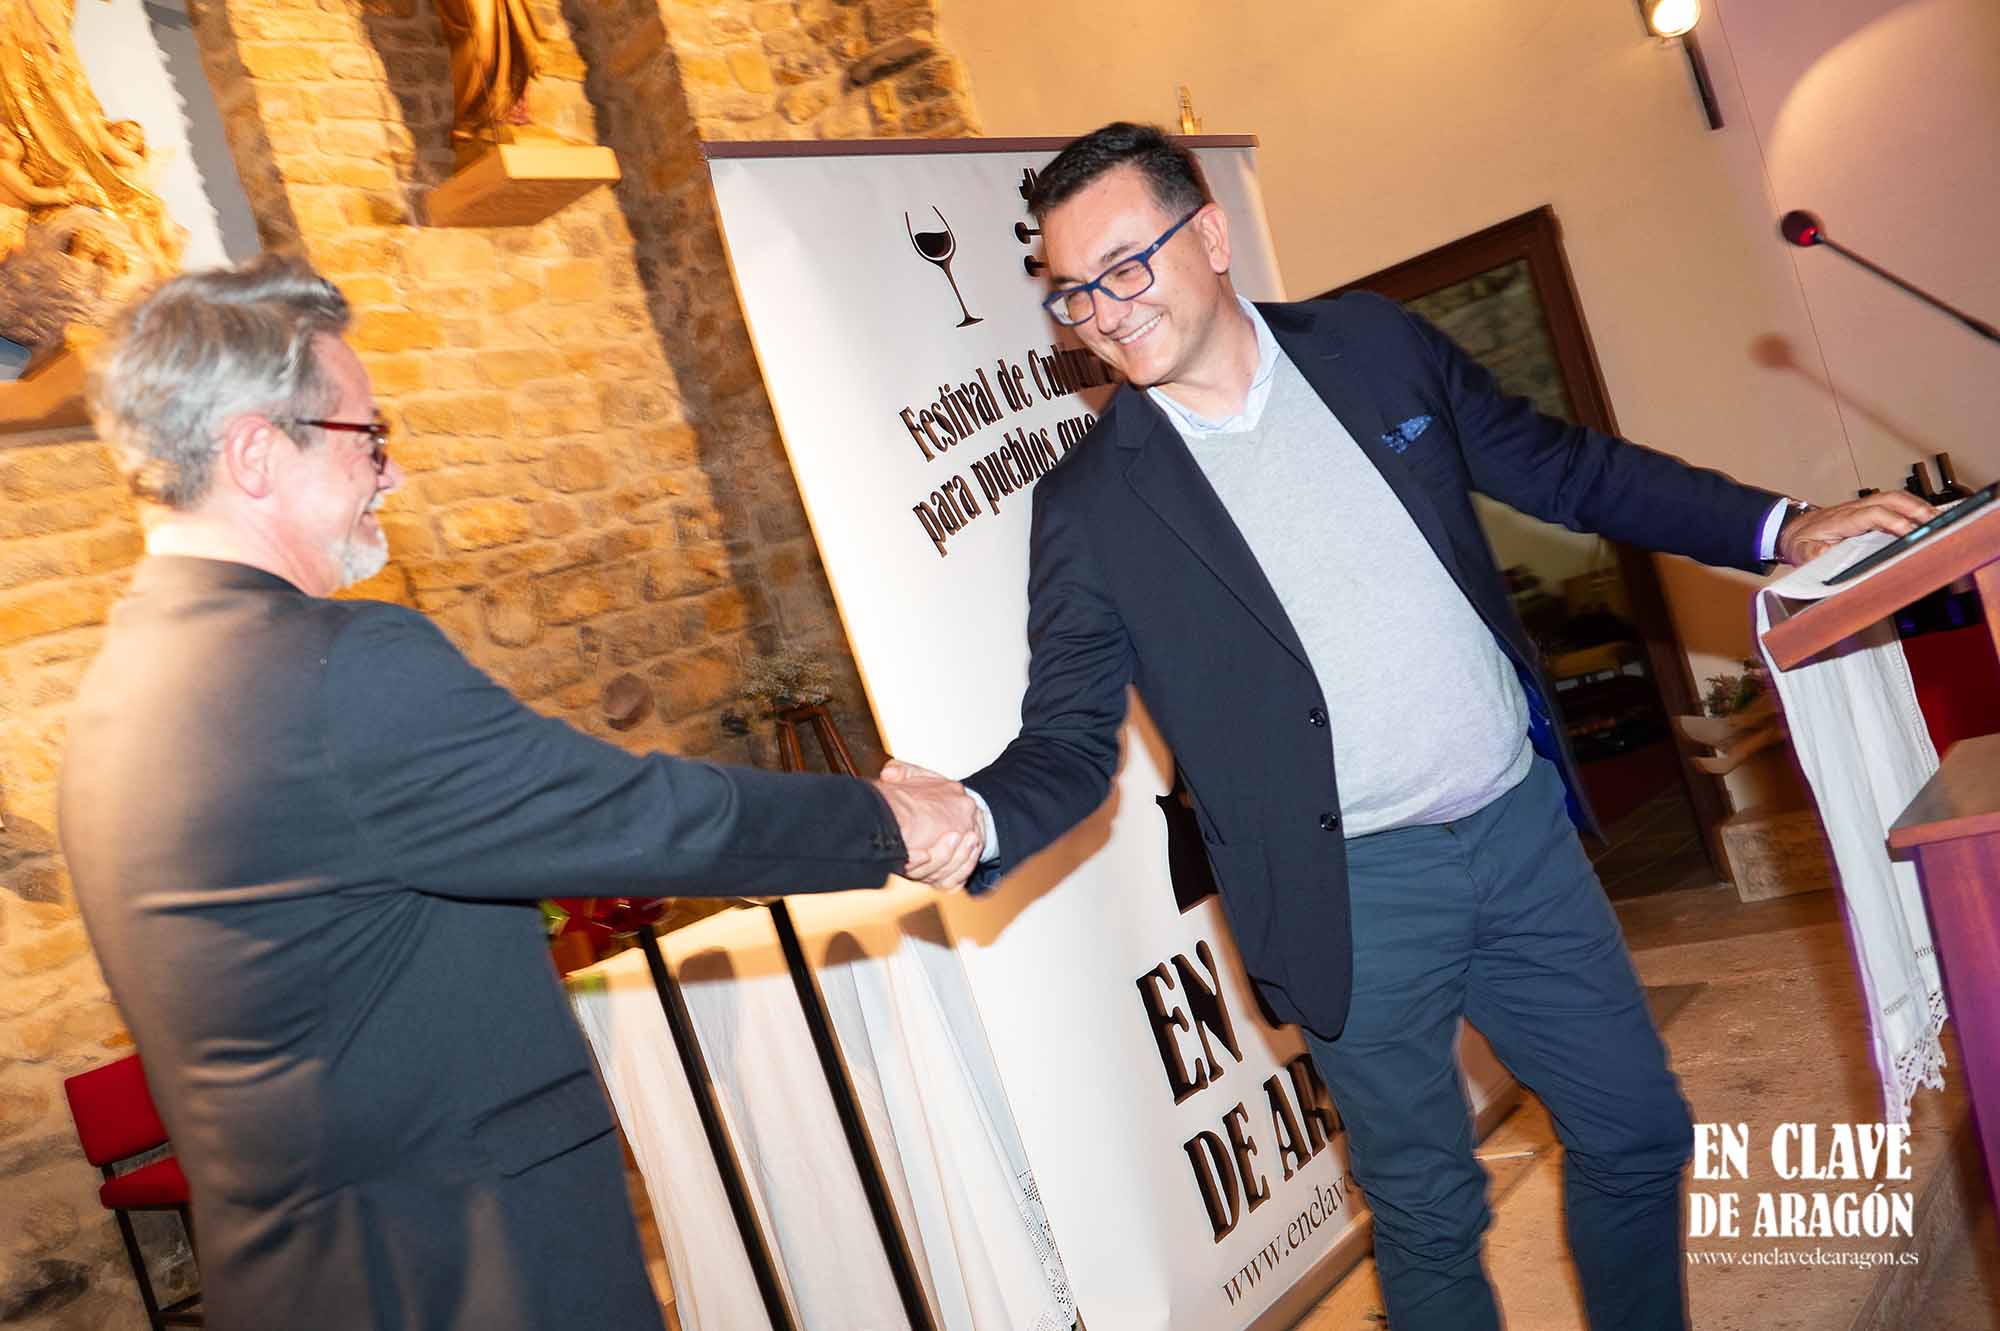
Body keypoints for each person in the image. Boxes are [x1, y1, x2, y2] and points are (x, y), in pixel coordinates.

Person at [888, 122, 1928, 1331]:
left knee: (1637, 1131)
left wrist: (1778, 524)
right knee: (1430, 1211)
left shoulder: (1372, 348)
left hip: (1515, 832)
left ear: (1210, 235)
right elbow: (1069, 735)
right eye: (1073, 292)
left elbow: (1565, 469)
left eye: (1124, 267)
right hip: (1348, 894)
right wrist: (975, 812)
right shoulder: (1091, 505)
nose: (1103, 314)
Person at [61, 254, 979, 1331]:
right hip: (470, 1271)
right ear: (257, 452)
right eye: (368, 435)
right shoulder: (337, 667)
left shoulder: (108, 708)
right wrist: (893, 820)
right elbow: (635, 816)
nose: (392, 474)